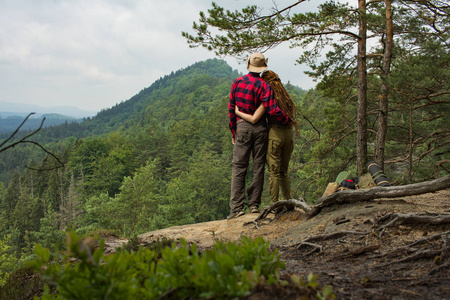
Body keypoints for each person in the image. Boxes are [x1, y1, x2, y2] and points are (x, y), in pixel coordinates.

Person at [227, 53, 291, 220]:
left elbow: (231, 109)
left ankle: (236, 208)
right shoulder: (265, 86)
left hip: (242, 128)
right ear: (263, 66)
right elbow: (271, 109)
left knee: (239, 168)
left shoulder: (237, 83)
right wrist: (287, 119)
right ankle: (254, 205)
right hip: (261, 129)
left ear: (249, 64)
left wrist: (234, 131)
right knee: (258, 168)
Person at [235, 70, 298, 205]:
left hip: (275, 133)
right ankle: (288, 201)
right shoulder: (285, 96)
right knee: (284, 172)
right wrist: (289, 120)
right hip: (288, 134)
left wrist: (238, 112)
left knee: (274, 172)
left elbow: (264, 113)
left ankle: (275, 205)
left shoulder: (269, 95)